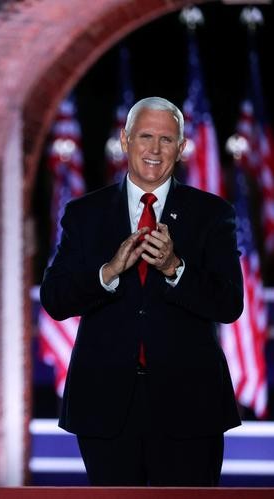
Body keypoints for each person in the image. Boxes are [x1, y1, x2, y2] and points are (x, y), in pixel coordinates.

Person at [40, 96, 243, 486]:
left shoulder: (212, 214)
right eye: (145, 136)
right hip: (105, 404)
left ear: (181, 148)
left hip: (190, 405)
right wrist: (109, 271)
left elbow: (230, 303)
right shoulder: (85, 213)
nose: (154, 149)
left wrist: (174, 268)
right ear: (125, 139)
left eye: (166, 140)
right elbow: (55, 299)